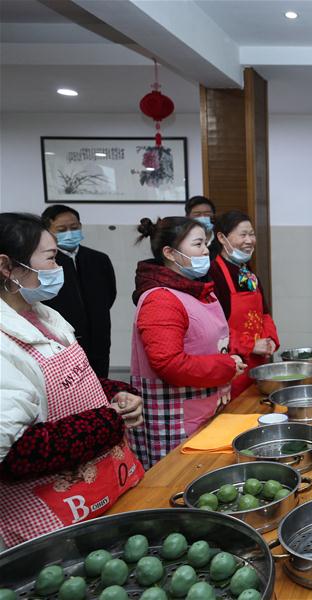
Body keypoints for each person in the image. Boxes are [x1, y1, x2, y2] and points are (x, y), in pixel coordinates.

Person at [0, 213, 144, 548]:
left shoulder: (45, 315)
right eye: (50, 258)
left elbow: (73, 381)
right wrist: (108, 420)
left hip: (103, 490)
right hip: (49, 520)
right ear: (7, 266)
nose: (58, 267)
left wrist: (119, 393)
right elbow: (17, 453)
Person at [130, 216, 245, 468]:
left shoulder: (196, 289)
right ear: (170, 253)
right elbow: (168, 364)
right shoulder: (161, 299)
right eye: (198, 244)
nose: (206, 250)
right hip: (177, 417)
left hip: (203, 404)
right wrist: (226, 366)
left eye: (206, 243)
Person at [39, 205, 117, 378]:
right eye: (61, 229)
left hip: (98, 333)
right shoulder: (45, 263)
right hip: (61, 338)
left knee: (100, 379)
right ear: (48, 231)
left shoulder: (99, 259)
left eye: (74, 228)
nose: (69, 233)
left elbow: (110, 295)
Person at [208, 210, 280, 398]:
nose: (250, 240)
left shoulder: (246, 271)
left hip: (257, 365)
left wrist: (270, 338)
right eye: (243, 235)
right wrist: (250, 345)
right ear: (222, 238)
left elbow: (264, 313)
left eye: (252, 234)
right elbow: (214, 329)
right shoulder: (214, 273)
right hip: (233, 367)